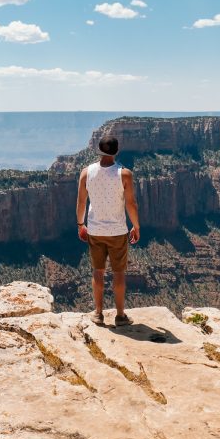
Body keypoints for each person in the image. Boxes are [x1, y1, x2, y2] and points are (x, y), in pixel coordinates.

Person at [76, 134, 140, 327]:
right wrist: (136, 226)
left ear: (99, 150)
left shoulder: (86, 173)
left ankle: (98, 314)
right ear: (117, 151)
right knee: (118, 273)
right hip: (118, 231)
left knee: (98, 271)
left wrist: (80, 224)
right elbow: (131, 204)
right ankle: (120, 316)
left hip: (95, 230)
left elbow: (81, 202)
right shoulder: (125, 174)